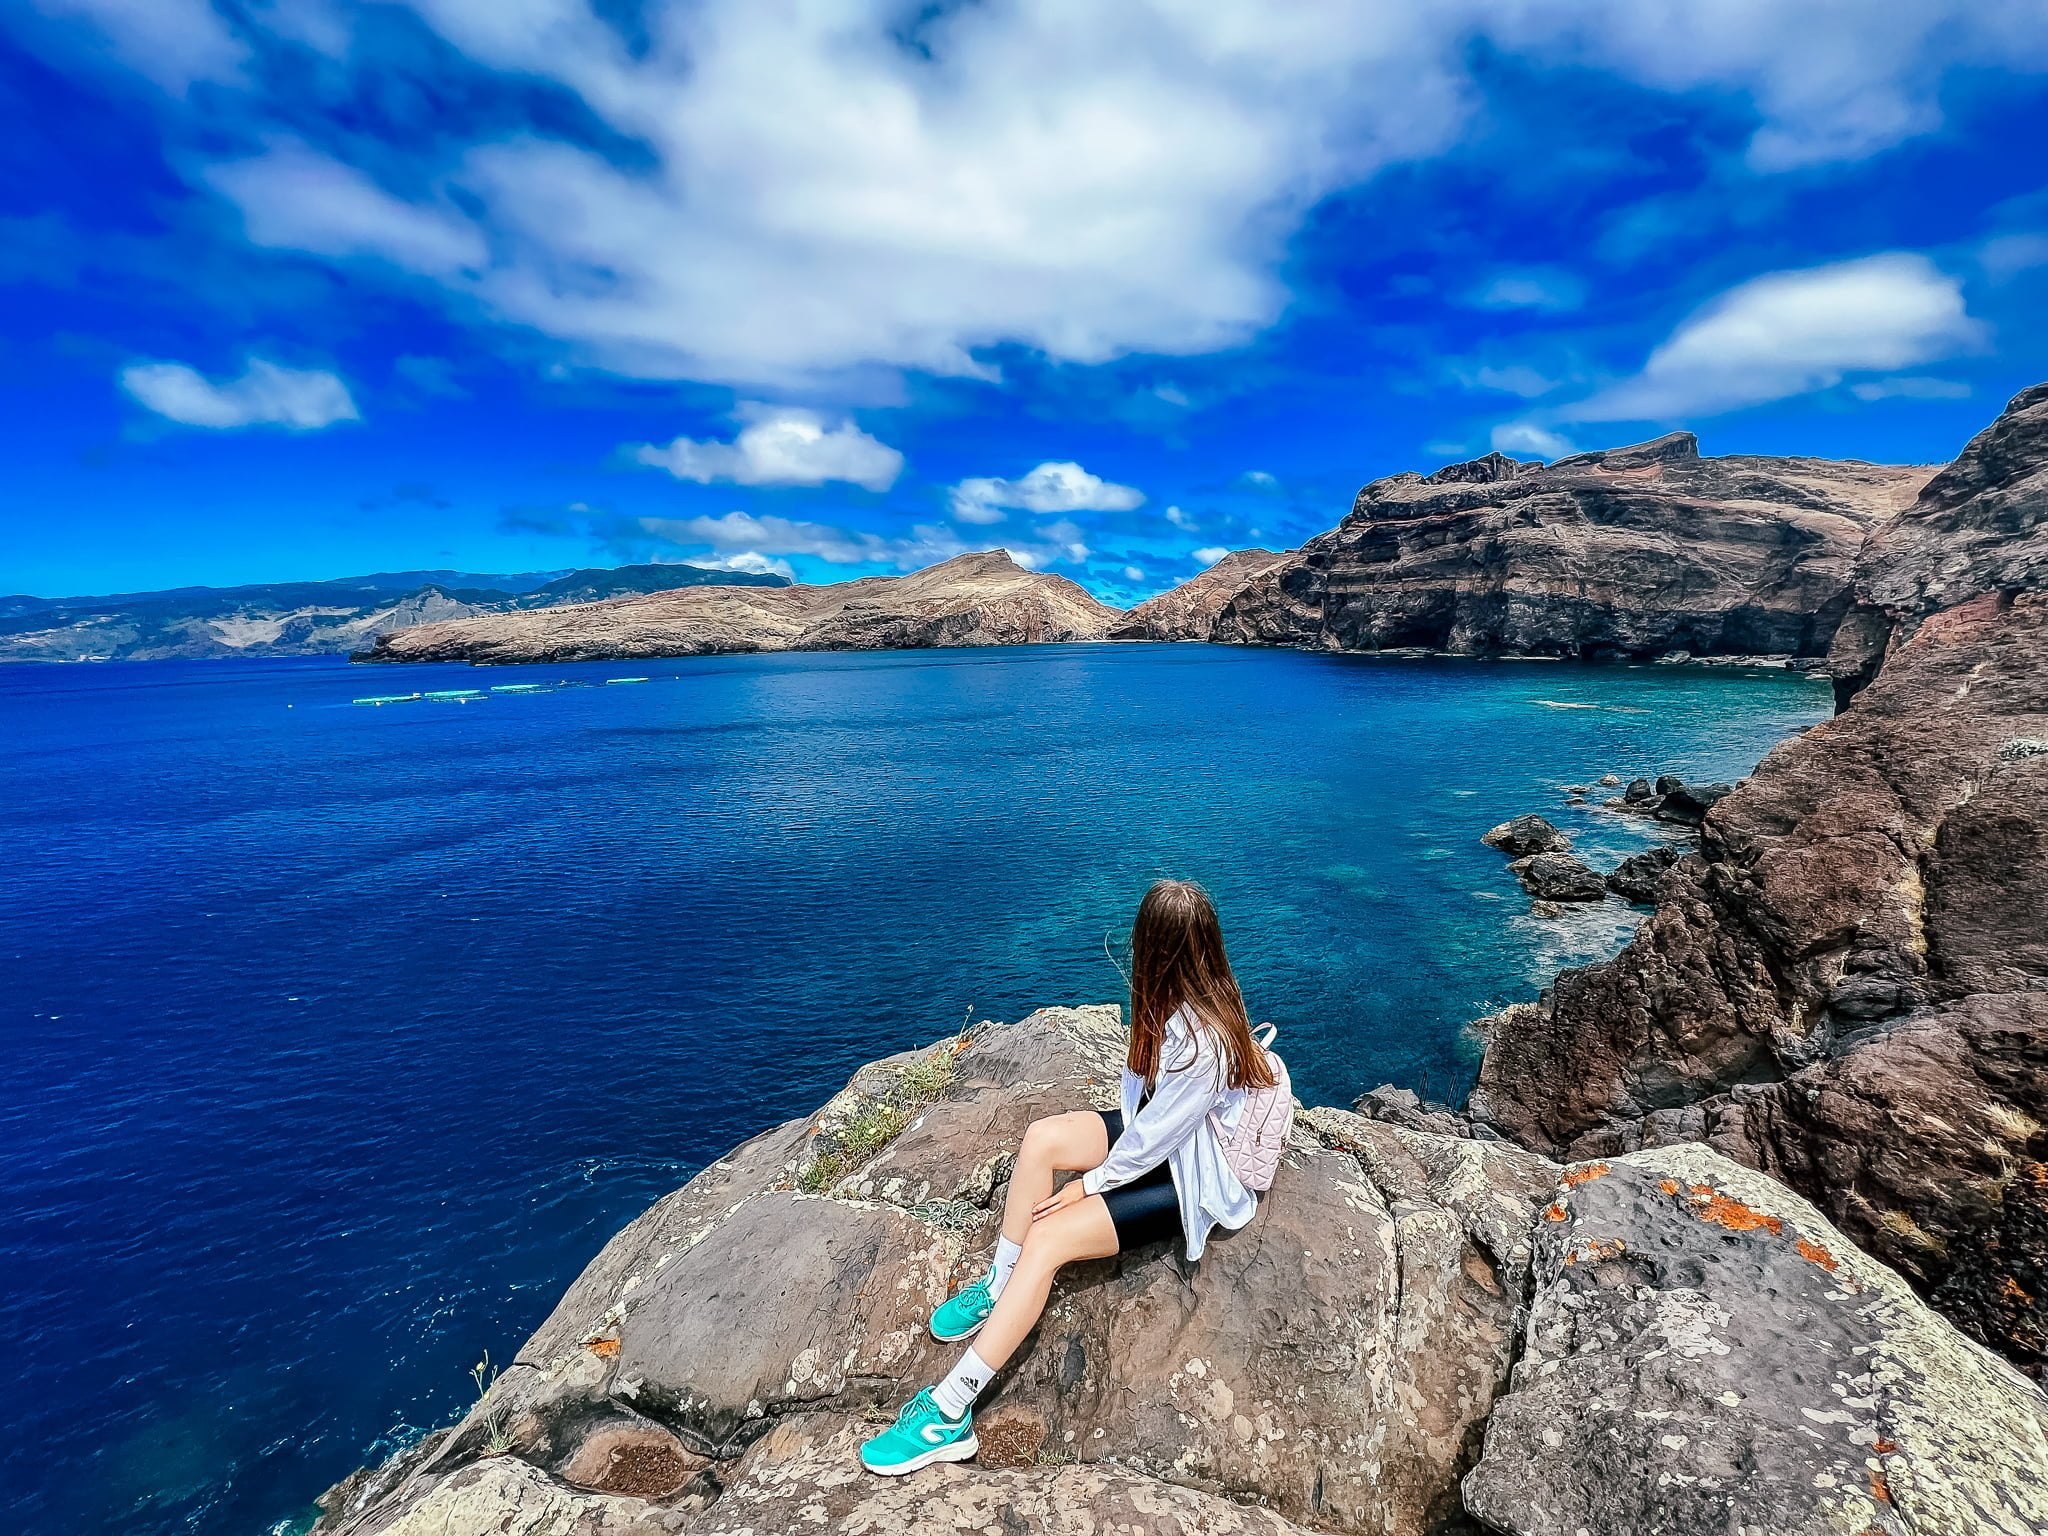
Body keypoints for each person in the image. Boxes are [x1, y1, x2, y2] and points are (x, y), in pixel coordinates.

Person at [859, 878, 1278, 1476]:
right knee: (1041, 1141)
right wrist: (1098, 1169)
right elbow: (1146, 1115)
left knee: (1050, 1240)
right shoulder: (1178, 996)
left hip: (1200, 1171)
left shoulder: (1205, 1040)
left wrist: (1089, 1184)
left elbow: (1156, 1140)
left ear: (1154, 949)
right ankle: (1001, 1287)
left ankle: (948, 1414)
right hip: (1161, 1137)